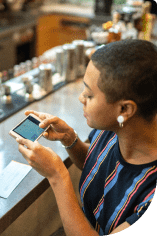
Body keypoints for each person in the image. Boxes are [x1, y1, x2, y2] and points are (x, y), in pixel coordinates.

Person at [16, 39, 157, 235]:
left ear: (124, 109)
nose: (81, 98)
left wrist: (57, 176)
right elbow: (96, 165)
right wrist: (70, 139)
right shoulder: (114, 126)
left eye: (89, 95)